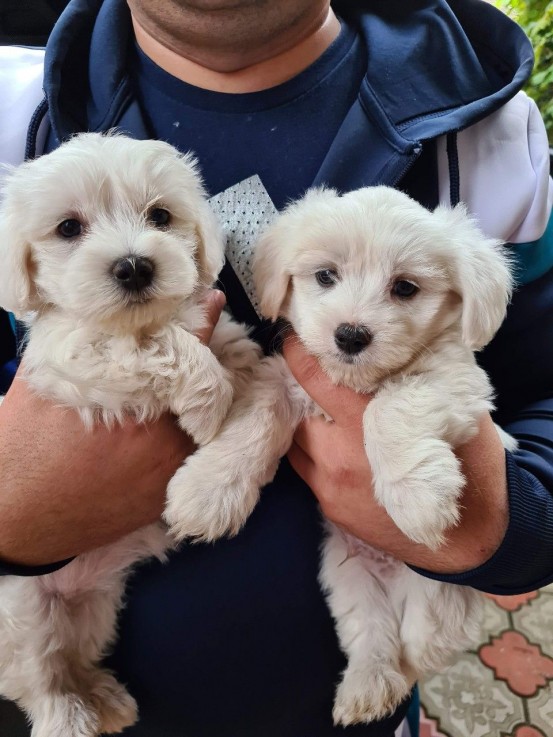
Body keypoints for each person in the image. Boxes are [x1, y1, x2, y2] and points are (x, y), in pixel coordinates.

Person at [0, 1, 552, 735]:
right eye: (71, 229)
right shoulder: (15, 115)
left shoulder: (497, 138)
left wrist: (500, 522)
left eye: (162, 218)